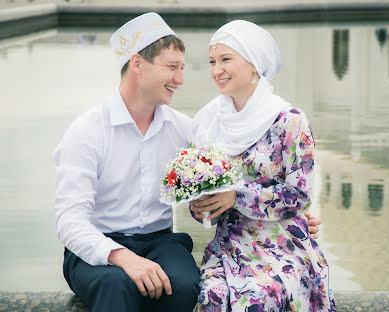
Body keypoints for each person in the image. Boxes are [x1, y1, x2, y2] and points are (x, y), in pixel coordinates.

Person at [53, 13, 200, 312]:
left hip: (161, 242)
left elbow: (230, 172)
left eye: (182, 68)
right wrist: (121, 256)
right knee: (115, 284)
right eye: (172, 67)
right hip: (97, 245)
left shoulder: (184, 129)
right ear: (137, 63)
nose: (180, 79)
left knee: (183, 284)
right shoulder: (87, 131)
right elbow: (69, 221)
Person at [190, 20, 336, 311]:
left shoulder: (290, 120)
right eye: (212, 61)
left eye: (226, 59)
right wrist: (200, 208)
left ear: (254, 64)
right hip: (230, 244)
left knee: (257, 297)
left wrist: (237, 196)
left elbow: (300, 195)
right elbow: (205, 203)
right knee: (211, 296)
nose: (216, 70)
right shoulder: (208, 122)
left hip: (283, 244)